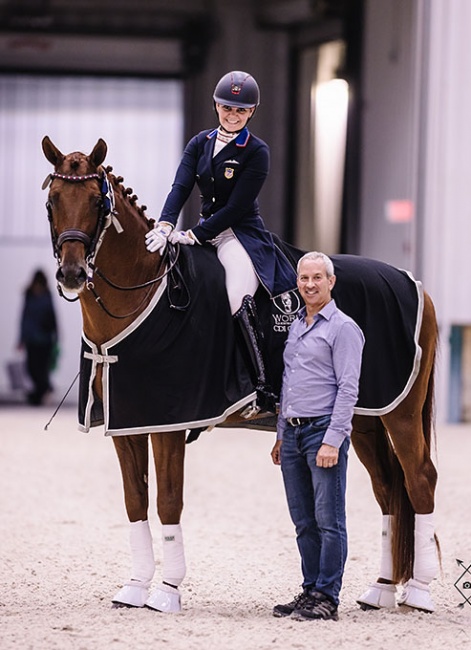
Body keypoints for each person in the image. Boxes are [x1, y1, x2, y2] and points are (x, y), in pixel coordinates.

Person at [145, 70, 296, 412]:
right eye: (227, 108)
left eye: (240, 111)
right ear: (216, 105)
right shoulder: (199, 143)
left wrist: (196, 234)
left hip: (238, 235)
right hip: (201, 231)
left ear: (251, 112)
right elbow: (181, 186)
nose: (233, 115)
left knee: (234, 298)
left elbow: (237, 207)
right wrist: (166, 224)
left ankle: (260, 388)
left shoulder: (257, 151)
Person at [270, 252, 365, 621]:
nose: (310, 284)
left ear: (331, 281)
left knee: (329, 519)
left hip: (322, 433)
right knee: (303, 521)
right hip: (292, 435)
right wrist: (280, 435)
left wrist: (333, 439)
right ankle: (310, 590)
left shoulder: (343, 328)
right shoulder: (296, 326)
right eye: (304, 278)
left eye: (317, 278)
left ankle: (328, 596)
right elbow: (289, 384)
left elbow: (348, 389)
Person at [18, 269, 59, 406]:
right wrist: (22, 339)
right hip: (32, 338)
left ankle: (40, 393)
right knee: (31, 368)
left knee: (42, 368)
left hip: (45, 339)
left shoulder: (47, 296)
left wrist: (56, 336)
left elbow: (53, 316)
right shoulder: (29, 295)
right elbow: (24, 318)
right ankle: (43, 391)